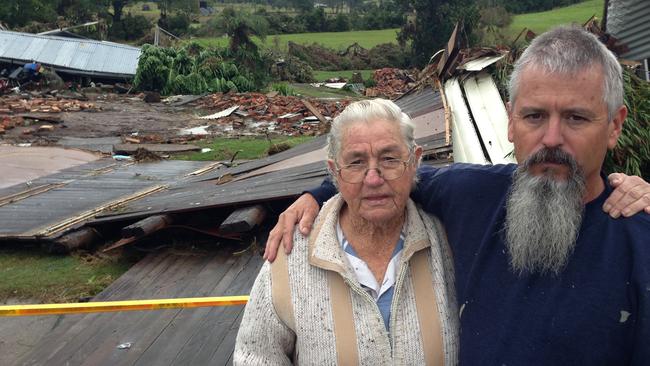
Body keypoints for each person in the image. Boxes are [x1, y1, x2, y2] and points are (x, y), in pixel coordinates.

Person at [264, 26, 650, 365]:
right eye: (534, 116)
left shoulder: (640, 245)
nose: (551, 138)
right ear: (511, 121)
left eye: (576, 118)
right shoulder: (472, 196)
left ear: (615, 126)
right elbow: (390, 173)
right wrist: (315, 194)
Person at [235, 99, 459, 364]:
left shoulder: (449, 241)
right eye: (356, 162)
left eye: (389, 159)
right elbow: (255, 356)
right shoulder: (291, 253)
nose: (373, 179)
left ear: (414, 162)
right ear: (334, 172)